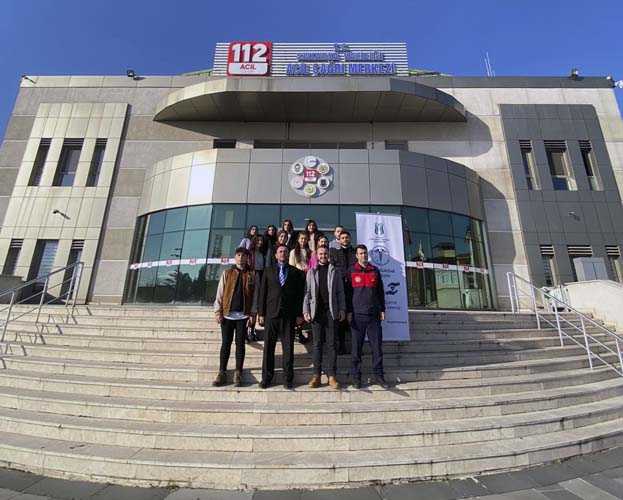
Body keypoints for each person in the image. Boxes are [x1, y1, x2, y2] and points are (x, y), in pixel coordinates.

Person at [257, 245, 306, 389]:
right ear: (276, 255)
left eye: (285, 251)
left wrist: (299, 314)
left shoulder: (296, 273)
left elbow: (299, 296)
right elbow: (262, 293)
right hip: (271, 314)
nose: (283, 253)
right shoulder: (268, 271)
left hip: (288, 316)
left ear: (288, 254)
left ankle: (288, 379)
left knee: (288, 348)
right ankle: (266, 378)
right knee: (268, 348)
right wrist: (261, 313)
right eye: (280, 251)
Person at [213, 247, 258, 387]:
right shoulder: (227, 273)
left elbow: (255, 295)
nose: (241, 258)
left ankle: (238, 372)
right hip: (227, 315)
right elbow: (220, 293)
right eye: (238, 255)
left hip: (243, 316)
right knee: (226, 343)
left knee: (240, 344)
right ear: (235, 257)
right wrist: (218, 311)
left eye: (243, 255)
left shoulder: (252, 274)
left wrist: (253, 313)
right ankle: (222, 372)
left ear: (247, 258)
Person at [345, 244, 388, 389]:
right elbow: (347, 294)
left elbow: (380, 291)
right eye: (361, 253)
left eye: (365, 253)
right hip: (357, 316)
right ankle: (356, 377)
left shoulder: (375, 270)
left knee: (377, 348)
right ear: (356, 256)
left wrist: (383, 309)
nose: (363, 255)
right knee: (356, 349)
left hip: (374, 315)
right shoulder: (351, 271)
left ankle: (379, 376)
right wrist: (348, 311)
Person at [303, 246, 345, 389]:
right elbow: (307, 293)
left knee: (332, 344)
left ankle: (331, 376)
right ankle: (316, 375)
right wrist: (305, 310)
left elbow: (340, 292)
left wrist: (342, 309)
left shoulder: (335, 271)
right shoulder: (311, 272)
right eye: (320, 254)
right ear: (316, 256)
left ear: (329, 255)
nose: (323, 256)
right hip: (316, 312)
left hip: (331, 312)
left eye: (325, 254)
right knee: (317, 344)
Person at [329, 230, 357, 354]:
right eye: (343, 237)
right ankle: (341, 347)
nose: (345, 239)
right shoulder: (334, 253)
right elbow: (332, 269)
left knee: (354, 319)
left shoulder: (355, 253)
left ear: (350, 238)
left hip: (354, 287)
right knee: (341, 318)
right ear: (339, 240)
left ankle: (356, 348)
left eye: (347, 237)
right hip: (340, 287)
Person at [247, 235, 269, 342]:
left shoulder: (262, 254)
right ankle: (247, 330)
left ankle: (252, 330)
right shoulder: (250, 253)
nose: (260, 242)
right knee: (250, 300)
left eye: (261, 241)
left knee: (257, 301)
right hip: (252, 276)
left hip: (260, 276)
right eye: (258, 240)